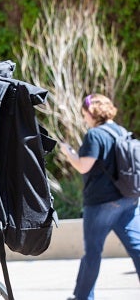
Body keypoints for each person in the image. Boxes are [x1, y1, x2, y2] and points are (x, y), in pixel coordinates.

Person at [59, 93, 140, 300]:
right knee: (137, 247)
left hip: (102, 203)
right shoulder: (122, 131)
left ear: (90, 112)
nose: (84, 117)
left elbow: (83, 166)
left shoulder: (95, 135)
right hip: (128, 198)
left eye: (84, 113)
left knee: (93, 253)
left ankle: (83, 297)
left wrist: (68, 152)